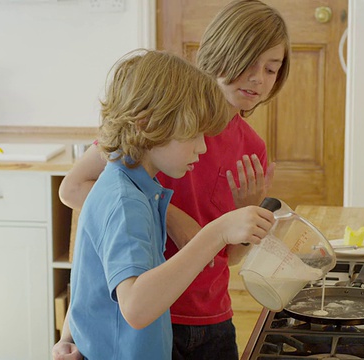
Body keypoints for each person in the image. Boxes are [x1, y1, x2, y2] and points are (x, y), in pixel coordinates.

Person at [54, 1, 290, 359]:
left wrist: (245, 214)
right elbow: (76, 193)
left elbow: (230, 257)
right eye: (248, 62)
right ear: (220, 52)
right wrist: (170, 216)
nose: (258, 78)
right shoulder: (157, 124)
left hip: (208, 317)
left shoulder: (251, 149)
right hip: (150, 319)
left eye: (271, 69)